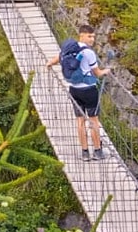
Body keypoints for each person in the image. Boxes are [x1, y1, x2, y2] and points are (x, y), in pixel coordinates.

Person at [46, 25, 111, 161]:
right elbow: (97, 73)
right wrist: (106, 71)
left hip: (74, 90)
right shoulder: (89, 52)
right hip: (89, 90)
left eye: (93, 36)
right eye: (89, 36)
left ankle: (85, 152)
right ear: (81, 35)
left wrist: (50, 63)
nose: (92, 39)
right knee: (93, 120)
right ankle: (98, 151)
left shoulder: (70, 48)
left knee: (80, 121)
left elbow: (59, 57)